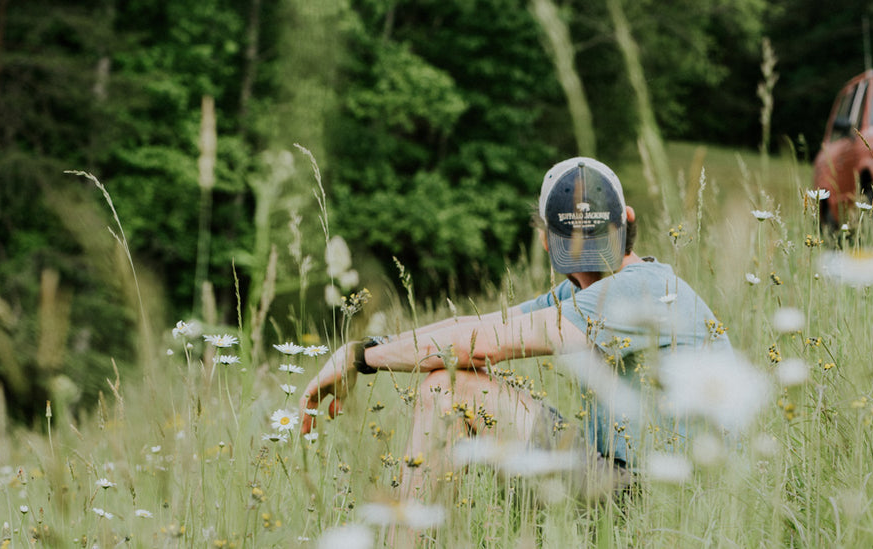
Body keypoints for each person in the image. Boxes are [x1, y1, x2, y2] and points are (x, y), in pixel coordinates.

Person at [299, 157, 731, 503]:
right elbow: (472, 326)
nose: (586, 265)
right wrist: (368, 347)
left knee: (452, 389)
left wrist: (360, 359)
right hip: (619, 475)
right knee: (444, 387)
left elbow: (481, 344)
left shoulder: (642, 291)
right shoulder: (580, 294)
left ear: (544, 238)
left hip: (670, 498)